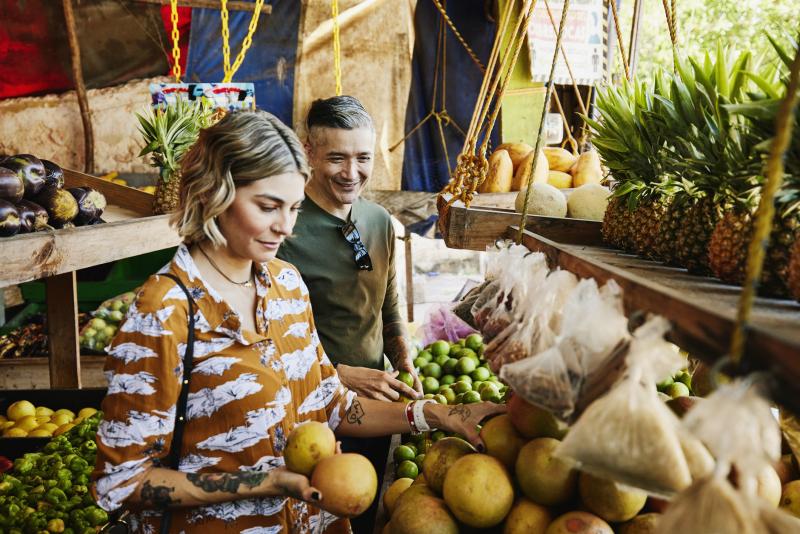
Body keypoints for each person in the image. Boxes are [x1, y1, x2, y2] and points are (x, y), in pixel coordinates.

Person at [91, 110, 503, 533]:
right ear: (214, 193)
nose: (285, 227)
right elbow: (121, 482)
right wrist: (262, 482)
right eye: (268, 207)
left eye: (293, 208)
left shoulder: (286, 285)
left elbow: (334, 407)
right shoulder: (165, 311)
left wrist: (438, 414)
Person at [276, 96, 419, 532]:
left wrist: (403, 358)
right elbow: (267, 336)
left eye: (363, 158)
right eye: (337, 157)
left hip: (375, 404)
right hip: (308, 413)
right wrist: (338, 374)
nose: (352, 172)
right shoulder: (281, 231)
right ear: (308, 152)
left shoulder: (377, 220)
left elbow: (386, 299)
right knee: (310, 519)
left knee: (363, 510)